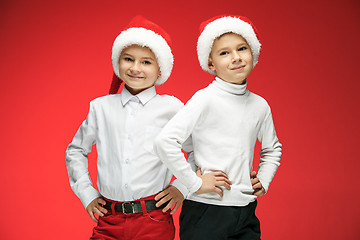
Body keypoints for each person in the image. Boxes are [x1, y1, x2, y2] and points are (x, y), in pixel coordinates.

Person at [65, 15, 199, 239]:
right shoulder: (100, 107)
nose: (136, 68)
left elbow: (197, 151)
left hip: (154, 219)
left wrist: (182, 188)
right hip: (109, 219)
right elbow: (76, 150)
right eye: (128, 59)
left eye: (146, 62)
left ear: (160, 70)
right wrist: (87, 193)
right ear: (118, 62)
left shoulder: (172, 108)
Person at [154, 15, 282, 239]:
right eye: (224, 52)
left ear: (253, 52)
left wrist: (264, 179)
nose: (235, 58)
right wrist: (194, 182)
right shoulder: (205, 99)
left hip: (246, 209)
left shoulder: (260, 105)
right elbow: (164, 142)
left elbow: (272, 149)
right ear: (211, 63)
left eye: (242, 48)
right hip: (206, 210)